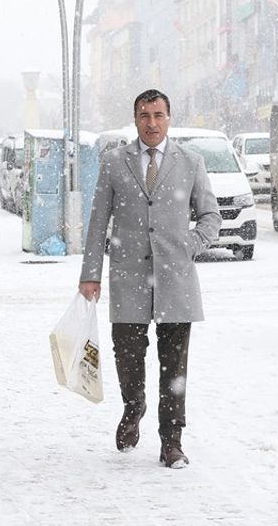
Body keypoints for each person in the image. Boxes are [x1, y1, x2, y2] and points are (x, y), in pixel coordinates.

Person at [79, 89, 221, 469]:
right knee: (127, 355)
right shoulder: (113, 162)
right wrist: (90, 274)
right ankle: (133, 405)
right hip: (128, 278)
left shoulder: (191, 162)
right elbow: (97, 223)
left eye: (158, 115)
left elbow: (211, 217)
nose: (152, 123)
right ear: (135, 119)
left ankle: (171, 440)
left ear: (169, 118)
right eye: (144, 115)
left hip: (176, 281)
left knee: (174, 366)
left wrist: (190, 244)